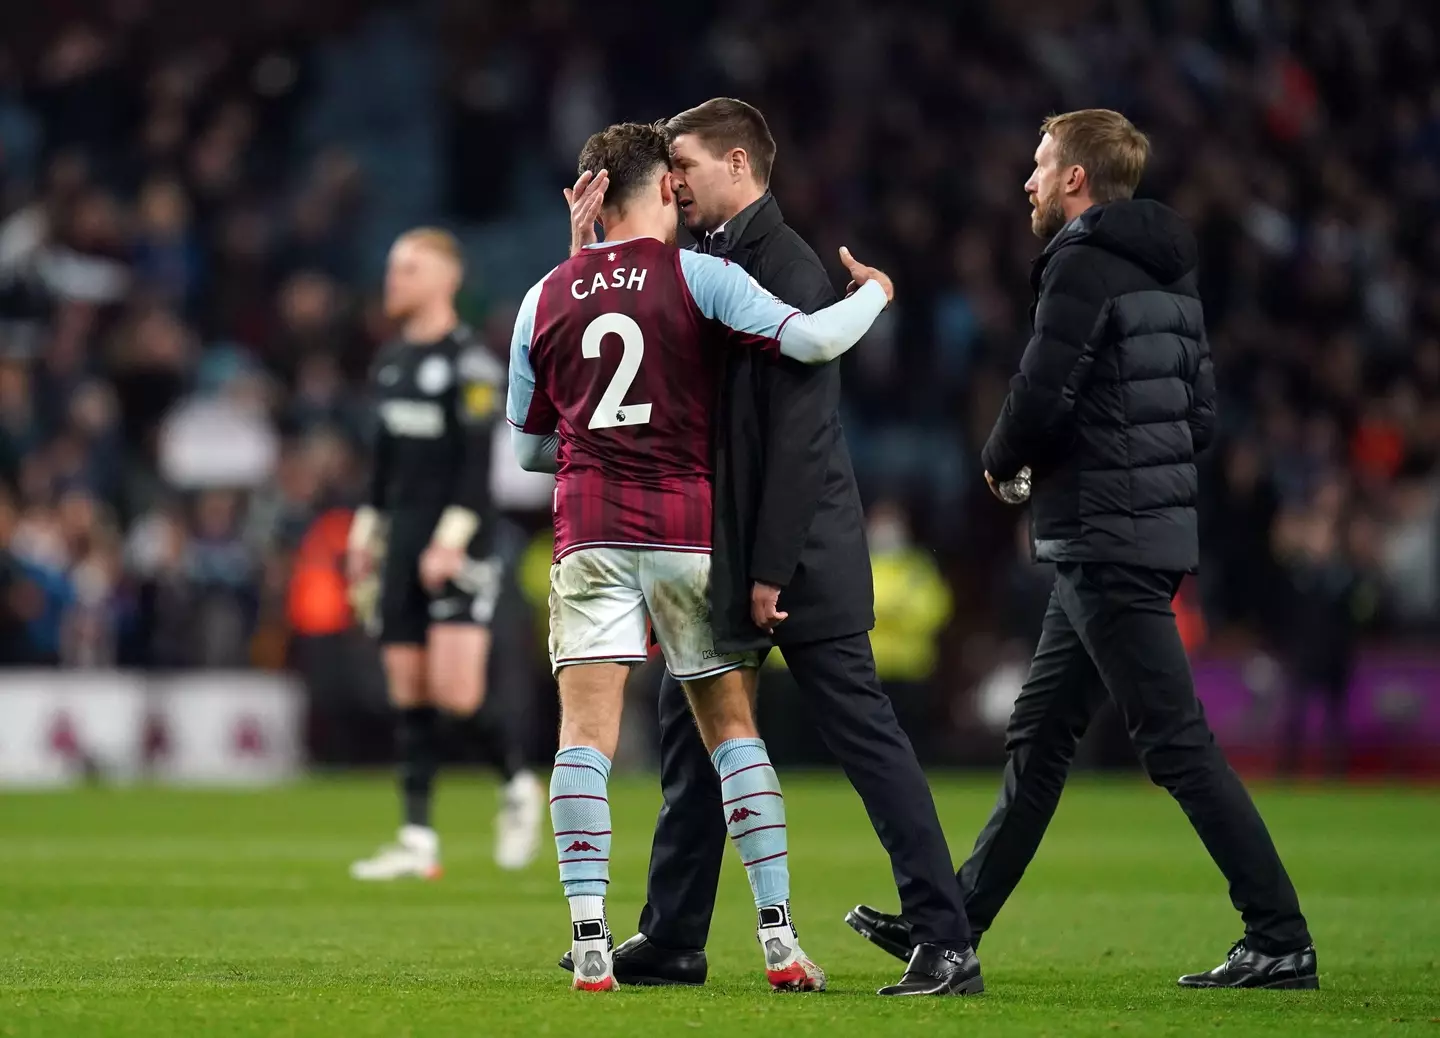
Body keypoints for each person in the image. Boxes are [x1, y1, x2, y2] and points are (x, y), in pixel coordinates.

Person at [846, 109, 1320, 991]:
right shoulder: (1173, 275)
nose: (1027, 180)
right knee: (1040, 736)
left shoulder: (1080, 261)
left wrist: (1001, 462)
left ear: (1075, 179)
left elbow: (1041, 387)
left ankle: (1279, 934)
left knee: (1173, 743)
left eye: (1039, 165)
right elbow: (1200, 419)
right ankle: (951, 925)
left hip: (1105, 532)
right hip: (1140, 528)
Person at [558, 99, 982, 998]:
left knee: (866, 742)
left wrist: (769, 569)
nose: (673, 182)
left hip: (793, 558)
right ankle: (672, 936)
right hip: (723, 551)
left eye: (685, 164)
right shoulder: (703, 262)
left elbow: (801, 437)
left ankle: (946, 940)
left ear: (740, 163)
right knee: (689, 741)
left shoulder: (786, 265)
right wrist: (589, 247)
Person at [506, 120, 892, 992]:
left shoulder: (542, 296)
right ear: (657, 187)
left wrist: (594, 442)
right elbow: (812, 341)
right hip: (685, 530)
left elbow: (529, 450)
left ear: (589, 196)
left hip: (589, 531)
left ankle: (591, 939)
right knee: (731, 732)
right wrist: (875, 294)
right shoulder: (700, 275)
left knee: (585, 738)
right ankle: (778, 938)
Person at [346, 228, 543, 879]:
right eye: (393, 266)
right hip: (402, 541)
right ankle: (416, 838)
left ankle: (517, 783)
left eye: (409, 267)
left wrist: (448, 543)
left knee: (456, 694)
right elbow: (381, 470)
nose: (394, 278)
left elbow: (475, 471)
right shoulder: (390, 361)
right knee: (408, 689)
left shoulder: (470, 364)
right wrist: (364, 537)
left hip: (460, 546)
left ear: (446, 279)